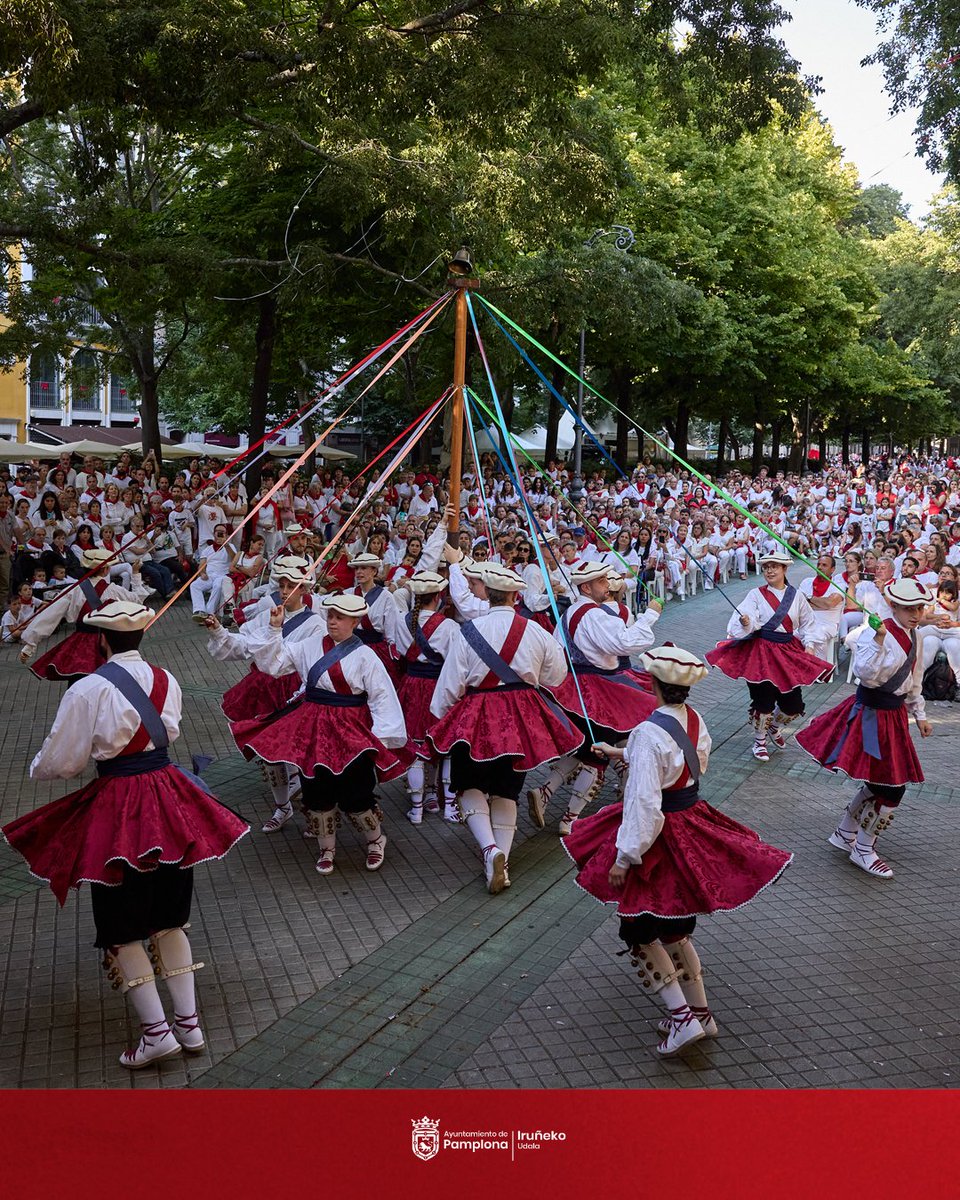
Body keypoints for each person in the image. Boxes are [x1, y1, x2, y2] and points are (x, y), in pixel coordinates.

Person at [1, 600, 249, 1068]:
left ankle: (157, 1034)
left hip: (119, 805)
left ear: (100, 639)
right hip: (169, 797)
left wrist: (37, 768)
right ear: (141, 636)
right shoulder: (168, 679)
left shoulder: (89, 689)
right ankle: (189, 1025)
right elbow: (169, 731)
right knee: (170, 917)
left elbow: (64, 761)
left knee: (122, 923)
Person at [563, 646, 793, 1056]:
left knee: (636, 929)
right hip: (691, 825)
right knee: (675, 927)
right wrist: (622, 753)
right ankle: (700, 1012)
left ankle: (682, 1020)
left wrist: (623, 856)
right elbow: (687, 765)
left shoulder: (647, 733)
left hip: (660, 837)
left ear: (652, 683)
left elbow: (645, 805)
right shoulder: (692, 719)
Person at [427, 563, 579, 894]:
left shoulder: (467, 631)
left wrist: (440, 715)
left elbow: (450, 684)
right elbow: (557, 676)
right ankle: (503, 861)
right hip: (522, 717)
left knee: (469, 787)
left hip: (477, 716)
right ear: (515, 594)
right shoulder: (537, 631)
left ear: (485, 591)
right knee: (507, 789)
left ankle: (490, 850)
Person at [231, 593, 407, 875]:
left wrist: (381, 739)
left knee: (356, 791)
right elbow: (275, 663)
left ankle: (376, 840)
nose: (333, 622)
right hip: (313, 726)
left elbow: (382, 697)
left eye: (340, 617)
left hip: (351, 731)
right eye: (330, 616)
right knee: (315, 788)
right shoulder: (310, 645)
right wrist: (275, 629)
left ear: (355, 621)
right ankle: (327, 848)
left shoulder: (365, 656)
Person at [796, 578, 934, 879]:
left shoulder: (918, 635)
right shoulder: (875, 630)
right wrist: (879, 640)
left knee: (881, 781)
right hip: (870, 714)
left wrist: (919, 714)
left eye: (920, 607)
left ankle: (845, 833)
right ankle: (864, 848)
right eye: (910, 608)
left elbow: (915, 677)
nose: (916, 613)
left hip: (894, 716)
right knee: (893, 787)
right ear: (894, 606)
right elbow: (865, 674)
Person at [529, 561, 663, 836]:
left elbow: (557, 650)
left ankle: (544, 791)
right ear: (587, 587)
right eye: (602, 581)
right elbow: (624, 644)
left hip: (575, 689)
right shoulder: (593, 614)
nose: (607, 585)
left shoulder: (571, 612)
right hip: (599, 691)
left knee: (586, 747)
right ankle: (570, 818)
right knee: (597, 754)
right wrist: (650, 615)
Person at [204, 558, 326, 833]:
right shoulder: (268, 613)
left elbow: (305, 661)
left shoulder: (316, 624)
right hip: (266, 686)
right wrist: (219, 631)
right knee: (268, 752)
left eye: (291, 585)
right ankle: (282, 806)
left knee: (300, 752)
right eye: (281, 584)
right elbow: (246, 645)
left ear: (304, 587)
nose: (284, 590)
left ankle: (313, 811)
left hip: (295, 689)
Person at [706, 550, 832, 761]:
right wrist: (746, 623)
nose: (770, 570)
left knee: (793, 705)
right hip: (761, 651)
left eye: (774, 566)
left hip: (788, 650)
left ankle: (774, 727)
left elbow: (809, 623)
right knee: (763, 699)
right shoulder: (755, 594)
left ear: (785, 569)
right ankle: (759, 741)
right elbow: (747, 616)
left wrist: (809, 644)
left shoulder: (796, 596)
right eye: (766, 567)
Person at [19, 548, 152, 682]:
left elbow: (49, 616)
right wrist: (135, 573)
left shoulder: (73, 590)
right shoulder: (114, 590)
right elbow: (138, 598)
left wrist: (30, 645)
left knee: (79, 681)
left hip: (80, 643)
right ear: (105, 570)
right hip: (107, 643)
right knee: (108, 682)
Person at [393, 570, 461, 825]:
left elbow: (398, 652)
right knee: (445, 747)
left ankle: (419, 806)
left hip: (411, 685)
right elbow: (454, 662)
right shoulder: (449, 626)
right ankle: (449, 806)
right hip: (439, 686)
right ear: (439, 597)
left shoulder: (402, 621)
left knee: (416, 748)